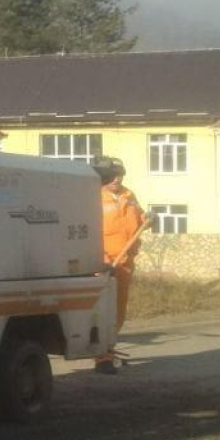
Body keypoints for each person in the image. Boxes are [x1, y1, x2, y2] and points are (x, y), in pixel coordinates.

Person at [94, 155, 146, 373]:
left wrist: (148, 219)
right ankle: (102, 357)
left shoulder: (128, 195)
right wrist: (101, 259)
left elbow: (138, 219)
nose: (117, 179)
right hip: (103, 263)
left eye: (120, 175)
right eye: (113, 176)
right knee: (103, 310)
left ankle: (109, 348)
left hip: (124, 262)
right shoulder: (92, 197)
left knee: (118, 310)